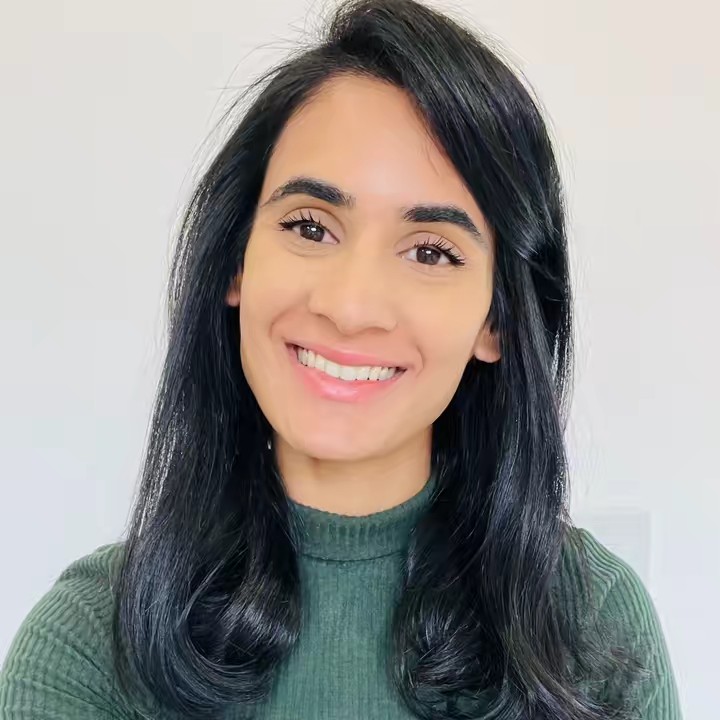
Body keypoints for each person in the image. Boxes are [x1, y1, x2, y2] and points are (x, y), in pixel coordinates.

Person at [0, 0, 682, 718]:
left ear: (498, 319)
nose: (350, 306)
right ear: (236, 261)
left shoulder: (594, 629)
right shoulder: (89, 644)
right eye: (310, 227)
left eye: (431, 252)